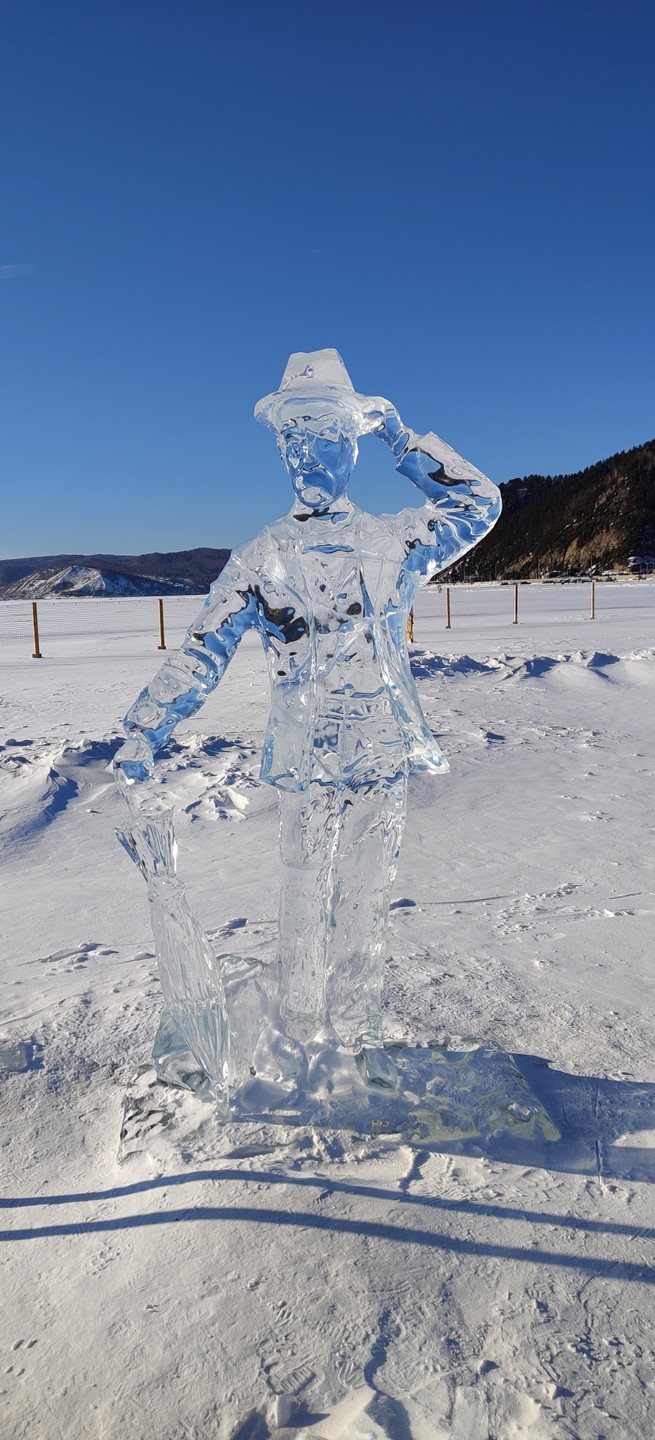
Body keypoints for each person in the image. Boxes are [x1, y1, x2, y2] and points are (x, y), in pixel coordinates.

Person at [115, 349, 501, 1090]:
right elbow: (201, 652)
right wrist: (146, 727)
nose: (304, 454)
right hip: (306, 758)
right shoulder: (263, 557)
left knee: (364, 895)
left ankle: (355, 1036)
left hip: (379, 750)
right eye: (291, 439)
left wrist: (401, 437)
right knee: (301, 887)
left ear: (351, 444)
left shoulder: (393, 542)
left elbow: (478, 504)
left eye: (322, 435)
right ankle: (299, 1029)